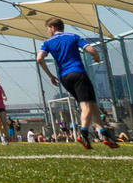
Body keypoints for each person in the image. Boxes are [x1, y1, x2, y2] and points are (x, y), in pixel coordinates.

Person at [35, 18, 114, 150]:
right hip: (78, 73)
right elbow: (92, 50)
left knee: (93, 105)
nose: (48, 31)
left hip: (64, 77)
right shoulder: (73, 36)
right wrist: (97, 58)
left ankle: (105, 135)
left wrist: (50, 75)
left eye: (47, 29)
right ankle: (83, 133)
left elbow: (39, 59)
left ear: (52, 27)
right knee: (86, 106)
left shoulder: (47, 43)